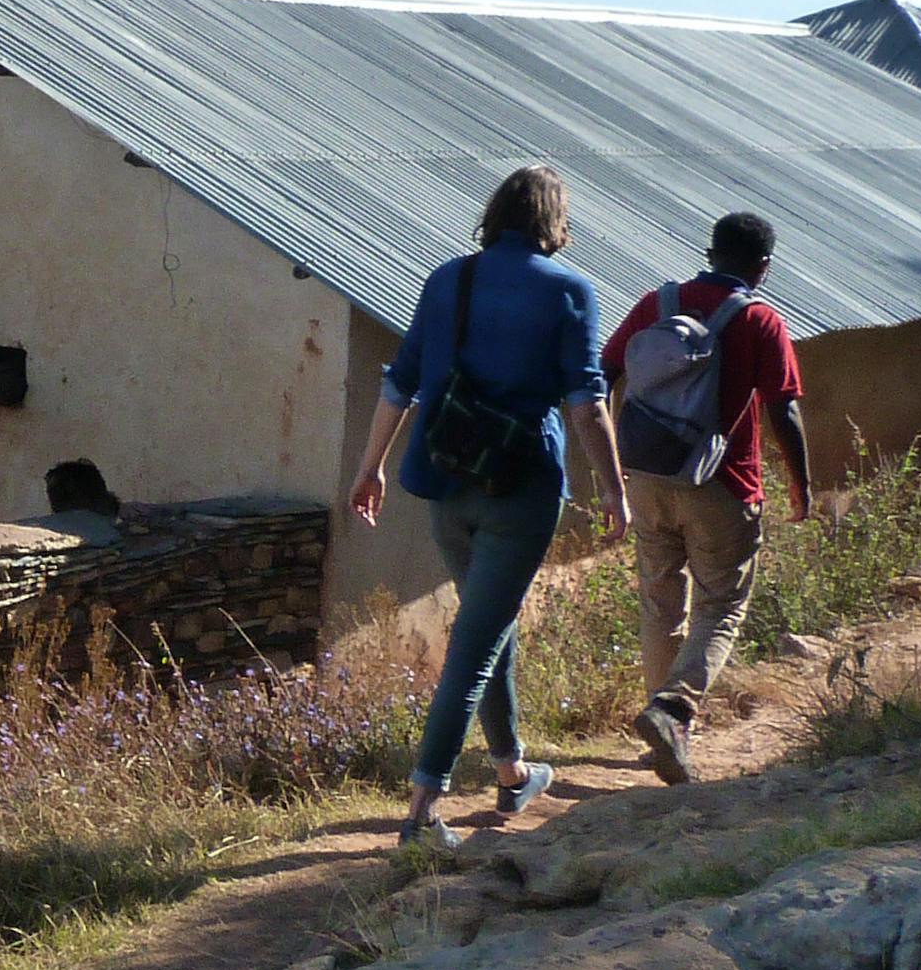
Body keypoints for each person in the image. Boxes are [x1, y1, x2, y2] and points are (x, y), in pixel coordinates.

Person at [349, 164, 631, 845]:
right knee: (475, 645)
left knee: (488, 621)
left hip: (445, 477)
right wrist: (617, 488)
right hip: (520, 486)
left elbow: (401, 381)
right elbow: (587, 404)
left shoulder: (451, 277)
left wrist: (371, 468)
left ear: (496, 212)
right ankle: (421, 814)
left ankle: (510, 771)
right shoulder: (570, 290)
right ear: (554, 221)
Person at [601, 209, 815, 788]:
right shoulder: (760, 321)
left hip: (647, 475)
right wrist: (802, 480)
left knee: (659, 597)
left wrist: (608, 451)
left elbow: (604, 369)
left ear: (711, 251)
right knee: (722, 603)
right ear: (763, 268)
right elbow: (783, 410)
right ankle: (672, 711)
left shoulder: (658, 304)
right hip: (722, 481)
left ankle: (664, 725)